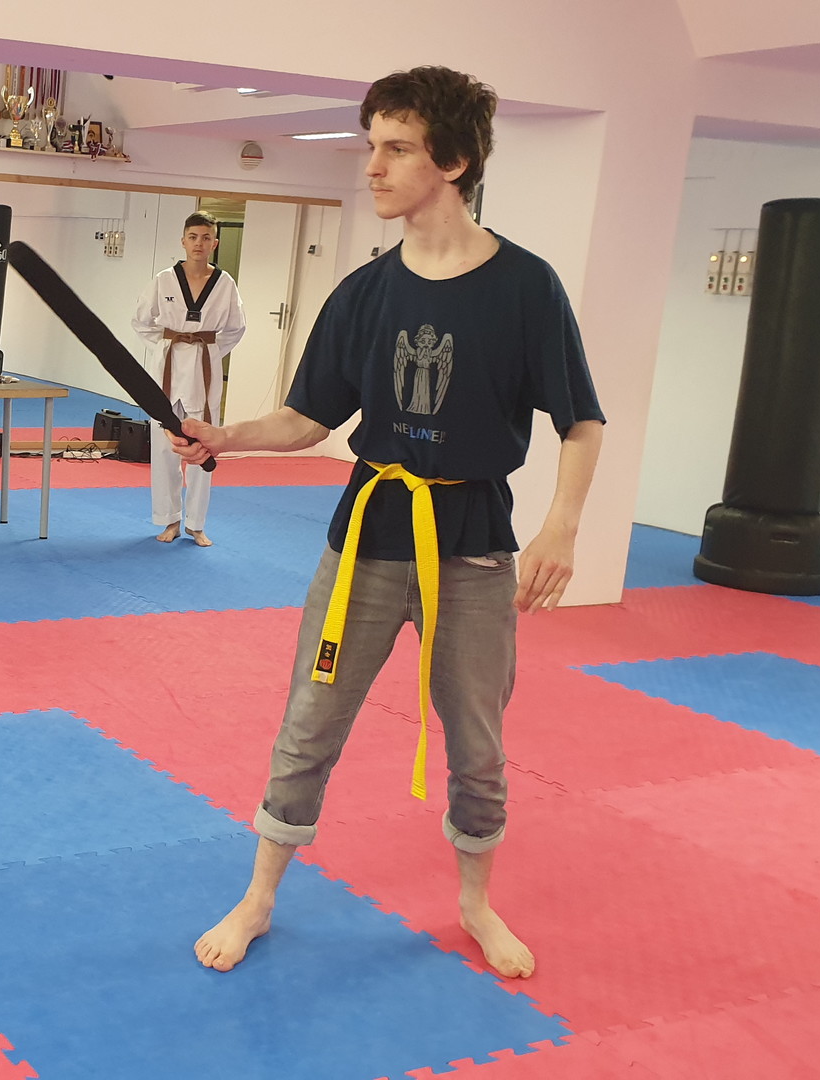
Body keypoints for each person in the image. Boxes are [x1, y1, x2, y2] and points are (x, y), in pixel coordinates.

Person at [179, 66, 605, 982]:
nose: (371, 166)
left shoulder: (526, 288)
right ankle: (259, 898)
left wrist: (562, 529)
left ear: (452, 161)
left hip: (474, 543)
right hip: (368, 536)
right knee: (309, 722)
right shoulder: (365, 293)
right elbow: (307, 419)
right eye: (370, 145)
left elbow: (581, 420)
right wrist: (226, 437)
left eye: (395, 148)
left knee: (478, 745)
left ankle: (476, 903)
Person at [131, 211, 247, 547]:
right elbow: (141, 321)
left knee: (203, 445)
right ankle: (169, 519)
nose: (199, 243)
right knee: (164, 445)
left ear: (215, 243)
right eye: (193, 237)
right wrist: (165, 347)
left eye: (206, 238)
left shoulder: (225, 283)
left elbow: (236, 328)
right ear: (183, 241)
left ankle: (196, 523)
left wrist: (209, 351)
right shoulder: (164, 279)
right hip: (167, 368)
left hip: (203, 372)